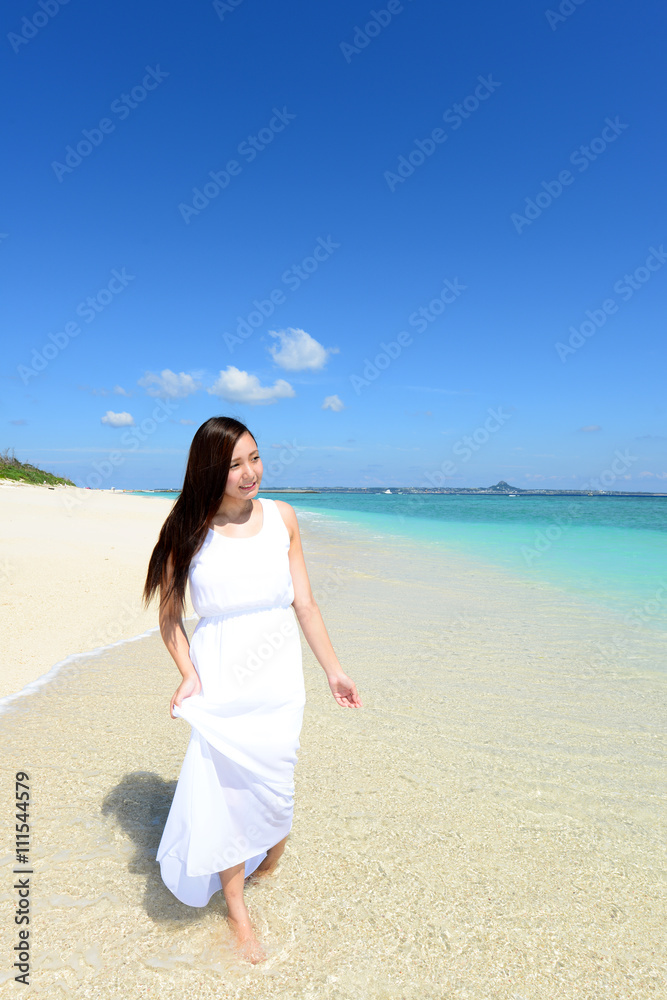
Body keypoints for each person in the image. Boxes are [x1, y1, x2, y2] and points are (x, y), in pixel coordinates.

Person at [143, 415, 361, 963]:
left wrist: (334, 669)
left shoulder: (283, 518)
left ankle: (271, 852)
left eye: (255, 458)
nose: (249, 473)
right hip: (221, 677)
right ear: (209, 470)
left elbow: (305, 604)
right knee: (225, 793)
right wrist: (187, 672)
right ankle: (238, 912)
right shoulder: (187, 530)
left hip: (279, 676)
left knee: (276, 783)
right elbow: (169, 616)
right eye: (235, 464)